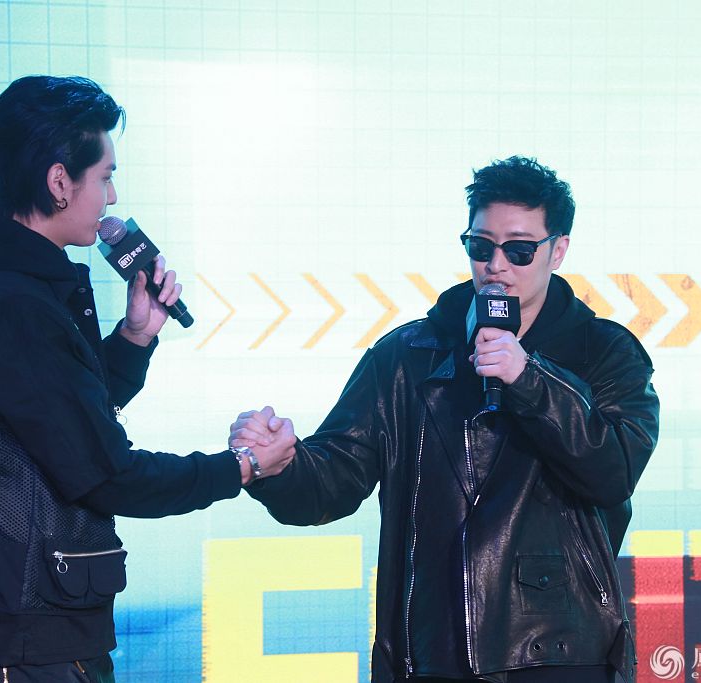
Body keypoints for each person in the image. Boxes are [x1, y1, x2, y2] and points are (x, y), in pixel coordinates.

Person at [0, 75, 295, 683]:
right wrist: (243, 466)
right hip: (27, 642)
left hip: (33, 632)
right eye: (105, 177)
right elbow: (105, 472)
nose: (112, 198)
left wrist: (135, 337)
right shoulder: (12, 307)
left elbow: (58, 426)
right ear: (59, 182)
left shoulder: (5, 291)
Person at [231, 157, 659, 683]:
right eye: (481, 246)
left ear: (558, 250)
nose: (496, 265)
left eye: (519, 250)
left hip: (558, 647)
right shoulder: (407, 356)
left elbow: (612, 472)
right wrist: (279, 465)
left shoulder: (606, 353)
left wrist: (528, 380)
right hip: (435, 645)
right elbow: (334, 481)